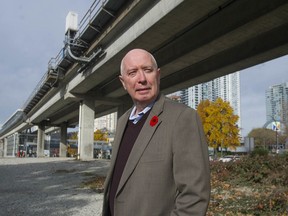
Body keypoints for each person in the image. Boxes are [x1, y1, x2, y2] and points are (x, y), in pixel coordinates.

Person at [102, 49, 210, 216]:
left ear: (158, 75)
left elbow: (194, 196)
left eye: (147, 70)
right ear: (123, 82)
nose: (142, 79)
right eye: (132, 73)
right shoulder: (123, 121)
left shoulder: (182, 117)